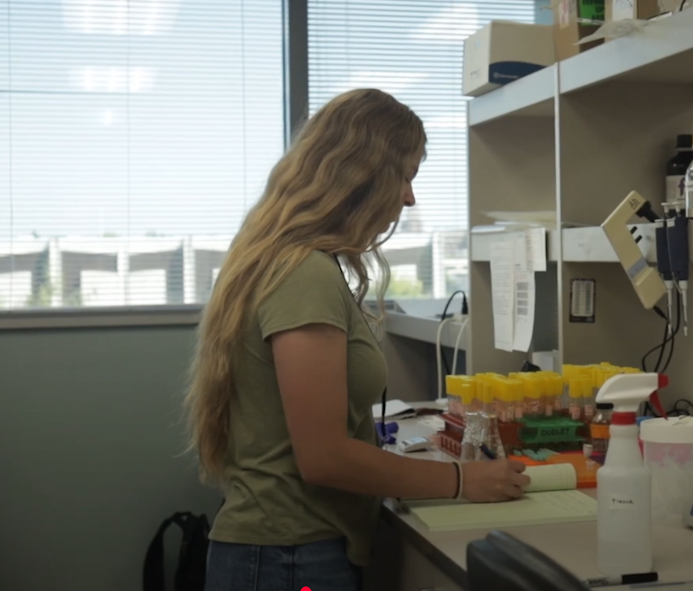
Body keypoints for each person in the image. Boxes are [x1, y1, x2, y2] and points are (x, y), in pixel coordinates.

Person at [185, 89, 530, 591]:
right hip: (287, 557)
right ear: (362, 175)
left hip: (286, 548)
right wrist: (462, 481)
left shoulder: (288, 261)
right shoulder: (304, 274)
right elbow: (324, 456)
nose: (409, 197)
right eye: (406, 176)